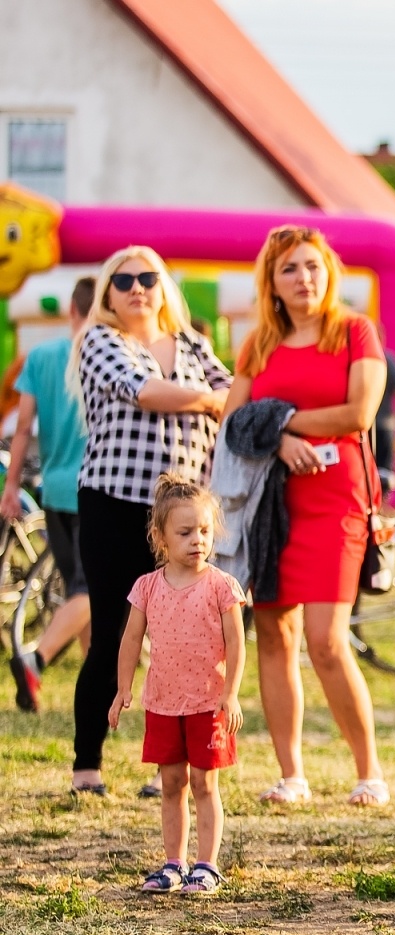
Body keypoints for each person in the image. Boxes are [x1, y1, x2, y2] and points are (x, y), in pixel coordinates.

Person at [223, 226, 387, 807]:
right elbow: (235, 420)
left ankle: (369, 771)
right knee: (274, 634)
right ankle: (292, 774)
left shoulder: (354, 332)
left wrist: (284, 424)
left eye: (313, 267)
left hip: (335, 501)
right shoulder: (258, 344)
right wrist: (277, 438)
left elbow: (358, 412)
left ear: (329, 272)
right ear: (272, 279)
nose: (304, 279)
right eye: (290, 268)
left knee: (326, 641)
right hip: (272, 506)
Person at [70, 247, 231, 795]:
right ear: (107, 293)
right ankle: (87, 762)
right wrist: (210, 400)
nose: (137, 287)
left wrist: (215, 398)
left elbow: (233, 391)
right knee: (114, 632)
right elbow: (146, 392)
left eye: (148, 277)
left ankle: (168, 765)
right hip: (115, 503)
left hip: (183, 515)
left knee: (183, 641)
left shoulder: (192, 344)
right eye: (123, 279)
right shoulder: (99, 341)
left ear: (164, 287)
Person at [109, 476, 245, 894]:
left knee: (205, 784)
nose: (197, 541)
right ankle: (173, 862)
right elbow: (131, 638)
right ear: (161, 537)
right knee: (171, 784)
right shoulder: (146, 588)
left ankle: (206, 865)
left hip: (208, 704)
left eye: (204, 531)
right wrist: (122, 688)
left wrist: (231, 693)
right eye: (185, 533)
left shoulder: (221, 586)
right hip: (164, 704)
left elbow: (236, 641)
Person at [3, 277, 94, 710]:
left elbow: (22, 430)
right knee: (90, 589)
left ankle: (97, 691)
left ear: (71, 311)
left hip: (53, 489)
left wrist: (10, 487)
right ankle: (36, 658)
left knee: (79, 589)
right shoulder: (109, 356)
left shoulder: (40, 356)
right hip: (96, 489)